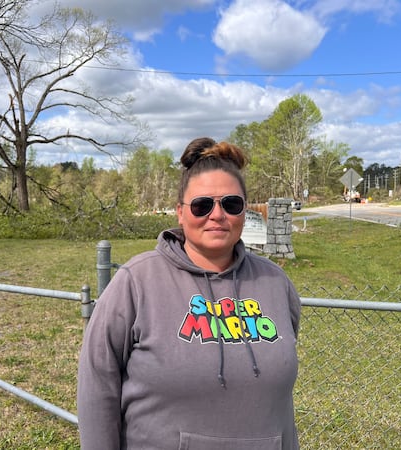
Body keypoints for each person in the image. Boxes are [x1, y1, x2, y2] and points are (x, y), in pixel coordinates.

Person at [77, 137, 301, 450]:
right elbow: (98, 389)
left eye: (231, 204)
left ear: (244, 211)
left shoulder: (275, 282)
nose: (217, 214)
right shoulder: (136, 282)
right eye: (202, 205)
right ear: (180, 213)